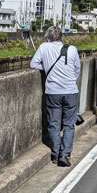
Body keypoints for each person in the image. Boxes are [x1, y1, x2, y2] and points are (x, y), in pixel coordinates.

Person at [30, 26, 81, 167]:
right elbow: (77, 70)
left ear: (48, 38)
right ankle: (65, 154)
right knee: (69, 125)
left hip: (52, 92)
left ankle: (56, 153)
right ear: (61, 38)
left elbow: (33, 64)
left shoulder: (43, 47)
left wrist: (46, 68)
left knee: (54, 124)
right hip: (71, 91)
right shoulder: (72, 49)